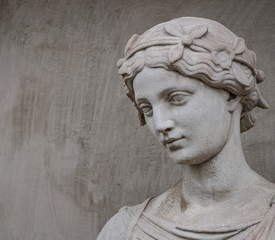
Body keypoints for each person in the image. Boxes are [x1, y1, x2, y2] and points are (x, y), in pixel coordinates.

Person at [97, 17, 275, 240]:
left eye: (176, 98)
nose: (160, 124)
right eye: (147, 108)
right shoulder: (123, 231)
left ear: (230, 94)